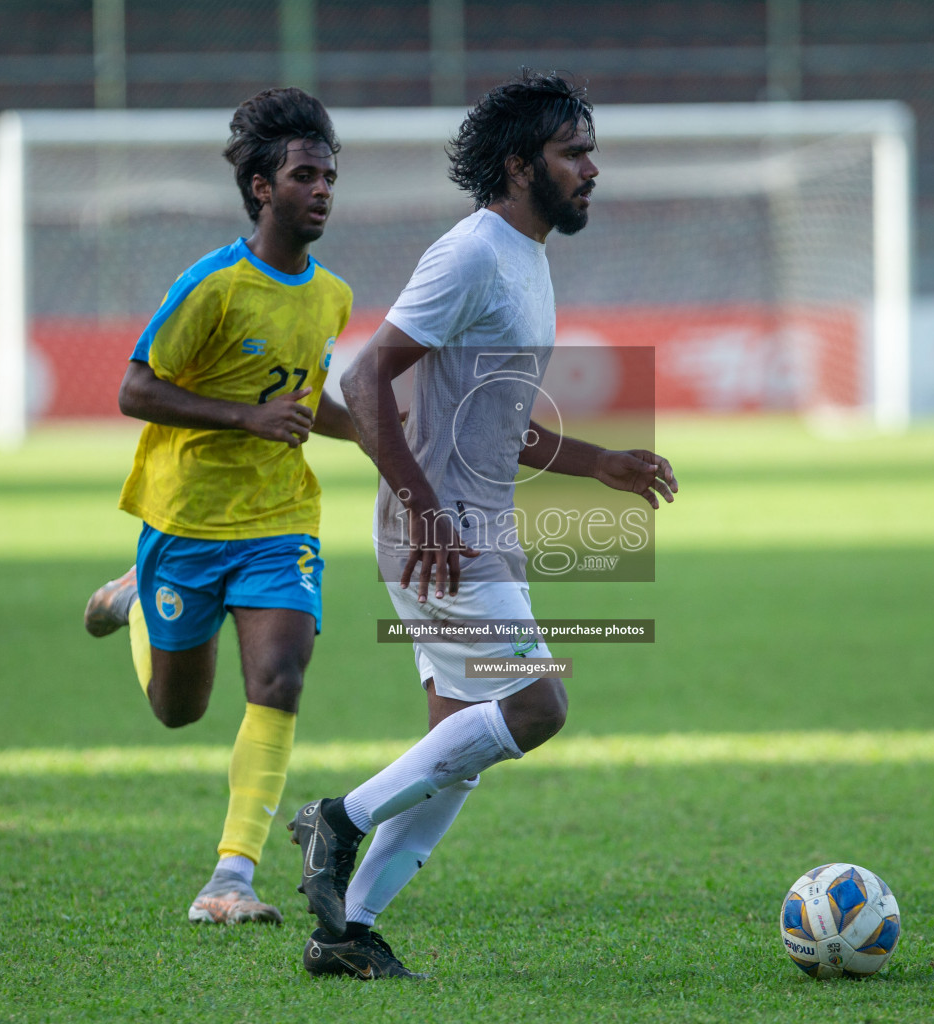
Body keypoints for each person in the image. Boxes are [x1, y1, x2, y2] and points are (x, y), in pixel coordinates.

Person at [287, 70, 679, 980]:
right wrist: (424, 510)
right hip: (442, 528)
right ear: (519, 164)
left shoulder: (527, 258)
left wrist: (599, 464)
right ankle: (336, 820)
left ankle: (342, 931)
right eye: (572, 152)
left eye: (591, 152)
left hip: (471, 521)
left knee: (453, 749)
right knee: (537, 706)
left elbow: (490, 423)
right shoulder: (470, 253)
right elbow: (361, 382)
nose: (591, 169)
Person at [81, 87, 357, 925]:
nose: (322, 190)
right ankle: (137, 596)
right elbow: (134, 388)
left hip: (279, 520)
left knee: (279, 678)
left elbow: (304, 404)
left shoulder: (332, 295)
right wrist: (245, 418)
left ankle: (231, 878)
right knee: (179, 709)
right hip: (187, 519)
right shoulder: (212, 286)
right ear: (263, 188)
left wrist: (393, 444)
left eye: (329, 176)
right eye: (305, 175)